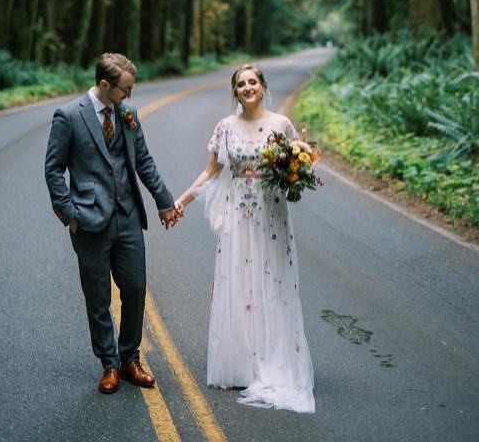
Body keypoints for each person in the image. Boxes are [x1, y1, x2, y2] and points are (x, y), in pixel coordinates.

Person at [174, 64, 315, 413]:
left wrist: (295, 175)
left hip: (272, 216)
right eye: (241, 84)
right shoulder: (225, 127)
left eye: (253, 82)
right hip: (238, 217)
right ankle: (238, 365)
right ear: (235, 91)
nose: (248, 87)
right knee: (238, 284)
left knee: (270, 284)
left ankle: (273, 362)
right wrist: (180, 201)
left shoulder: (281, 125)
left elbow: (300, 166)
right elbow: (211, 171)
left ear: (263, 86)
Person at [44, 52, 182, 394]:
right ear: (105, 84)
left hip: (128, 216)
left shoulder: (128, 114)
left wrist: (165, 202)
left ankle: (130, 358)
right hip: (89, 221)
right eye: (125, 89)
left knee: (135, 289)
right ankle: (108, 363)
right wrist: (69, 216)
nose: (129, 97)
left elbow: (144, 162)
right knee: (98, 297)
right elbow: (53, 169)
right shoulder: (69, 116)